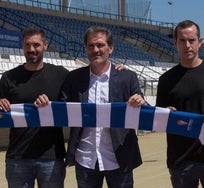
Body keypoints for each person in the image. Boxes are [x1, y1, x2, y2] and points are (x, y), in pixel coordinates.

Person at [35, 26, 146, 188]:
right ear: (86, 49)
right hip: (85, 159)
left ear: (111, 48)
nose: (96, 50)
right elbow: (62, 110)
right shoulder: (74, 78)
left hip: (120, 159)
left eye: (100, 45)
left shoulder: (127, 77)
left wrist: (140, 102)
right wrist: (45, 105)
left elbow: (144, 109)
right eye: (91, 46)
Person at [0, 27, 69, 188]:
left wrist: (116, 68)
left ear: (45, 45)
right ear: (22, 46)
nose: (31, 49)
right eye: (27, 45)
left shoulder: (61, 74)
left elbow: (76, 99)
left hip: (51, 157)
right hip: (18, 157)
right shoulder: (9, 77)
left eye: (36, 45)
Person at [156, 20, 204, 188]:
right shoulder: (166, 80)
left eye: (191, 40)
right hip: (181, 160)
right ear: (175, 43)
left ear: (200, 42)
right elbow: (159, 122)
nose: (187, 45)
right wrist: (165, 115)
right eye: (182, 41)